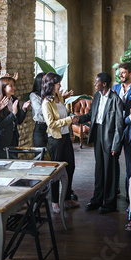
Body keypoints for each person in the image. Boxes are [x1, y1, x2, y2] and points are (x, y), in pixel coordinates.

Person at [79, 72, 124, 214]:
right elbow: (91, 115)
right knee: (99, 169)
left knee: (109, 170)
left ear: (104, 84)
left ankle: (110, 203)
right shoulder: (97, 96)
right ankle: (97, 199)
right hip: (97, 132)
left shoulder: (115, 99)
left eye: (96, 82)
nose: (94, 84)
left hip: (109, 137)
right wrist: (78, 119)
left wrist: (116, 145)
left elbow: (119, 125)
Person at [41, 72, 80, 214]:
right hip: (55, 140)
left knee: (70, 167)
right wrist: (70, 120)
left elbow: (63, 115)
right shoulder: (46, 102)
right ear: (51, 85)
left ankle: (67, 198)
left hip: (65, 138)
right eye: (58, 83)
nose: (60, 86)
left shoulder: (60, 98)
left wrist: (70, 118)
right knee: (56, 172)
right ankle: (55, 201)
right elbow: (51, 124)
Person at [0, 77, 31, 159]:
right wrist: (13, 114)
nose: (14, 88)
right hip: (1, 141)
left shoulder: (14, 100)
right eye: (11, 86)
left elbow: (19, 120)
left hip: (13, 138)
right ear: (3, 88)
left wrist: (23, 109)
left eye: (14, 86)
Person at [112, 62, 131, 196]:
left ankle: (129, 193)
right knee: (113, 158)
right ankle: (114, 190)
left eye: (123, 72)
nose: (120, 74)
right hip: (116, 129)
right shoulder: (115, 87)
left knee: (129, 163)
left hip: (129, 129)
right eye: (120, 72)